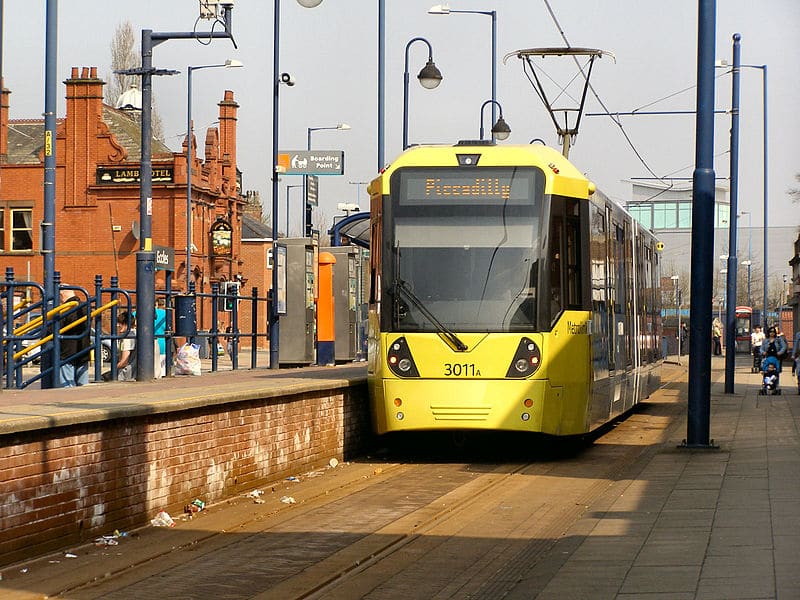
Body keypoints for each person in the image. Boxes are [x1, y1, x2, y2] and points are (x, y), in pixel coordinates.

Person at [58, 289, 90, 387]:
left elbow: (56, 327)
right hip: (83, 349)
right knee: (83, 383)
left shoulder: (65, 309)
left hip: (67, 351)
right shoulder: (85, 307)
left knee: (67, 385)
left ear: (62, 295)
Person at [116, 311, 137, 381]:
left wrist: (114, 368)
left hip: (126, 374)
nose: (117, 325)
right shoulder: (135, 333)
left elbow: (124, 362)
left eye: (120, 323)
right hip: (134, 372)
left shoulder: (127, 337)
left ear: (126, 324)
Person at [154, 298, 167, 378]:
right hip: (162, 342)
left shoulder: (137, 313)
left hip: (147, 343)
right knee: (162, 370)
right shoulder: (165, 314)